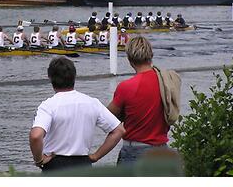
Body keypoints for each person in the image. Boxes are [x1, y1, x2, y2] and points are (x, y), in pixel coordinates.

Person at [29, 57, 125, 172]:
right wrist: (96, 156)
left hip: (55, 164)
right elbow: (119, 131)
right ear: (74, 76)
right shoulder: (92, 103)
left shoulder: (48, 105)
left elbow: (36, 136)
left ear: (50, 78)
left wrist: (38, 160)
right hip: (82, 164)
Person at [107, 36, 173, 165]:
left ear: (130, 59)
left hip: (135, 152)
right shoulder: (166, 82)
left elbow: (108, 117)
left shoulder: (126, 87)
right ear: (150, 55)